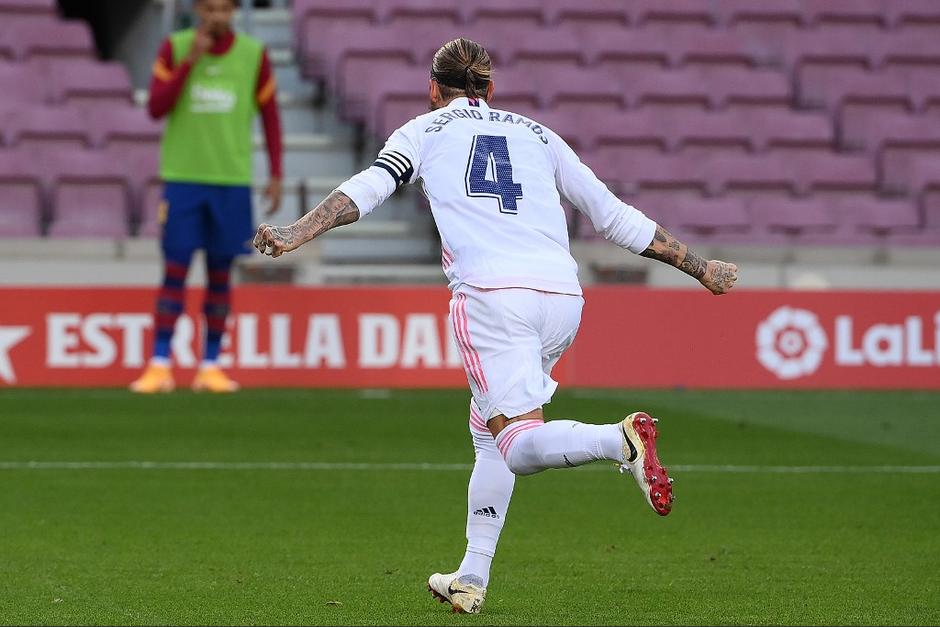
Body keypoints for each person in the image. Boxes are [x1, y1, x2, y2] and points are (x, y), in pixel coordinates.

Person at [253, 38, 738, 613]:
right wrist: (699, 266)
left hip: (491, 296)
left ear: (434, 90)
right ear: (491, 90)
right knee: (488, 425)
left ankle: (620, 440)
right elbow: (611, 215)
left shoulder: (423, 132)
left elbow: (371, 188)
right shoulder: (540, 135)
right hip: (562, 297)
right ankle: (472, 576)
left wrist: (296, 232)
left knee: (517, 445)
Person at [130, 0, 283, 393]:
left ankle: (210, 365)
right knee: (175, 270)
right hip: (183, 180)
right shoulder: (175, 47)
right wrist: (190, 61)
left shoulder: (253, 54)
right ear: (198, 10)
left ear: (233, 11)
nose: (217, 16)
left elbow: (269, 115)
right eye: (210, 8)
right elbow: (157, 108)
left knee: (220, 275)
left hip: (230, 182)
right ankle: (159, 364)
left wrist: (277, 173)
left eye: (225, 8)